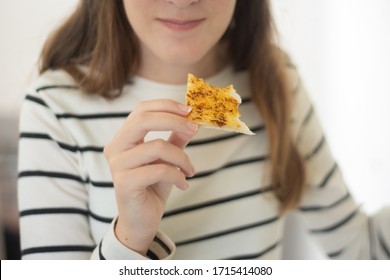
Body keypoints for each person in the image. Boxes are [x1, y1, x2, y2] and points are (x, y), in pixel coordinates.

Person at [17, 0, 389, 260]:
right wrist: (130, 237)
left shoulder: (275, 81)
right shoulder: (54, 109)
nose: (182, 0)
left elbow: (365, 253)